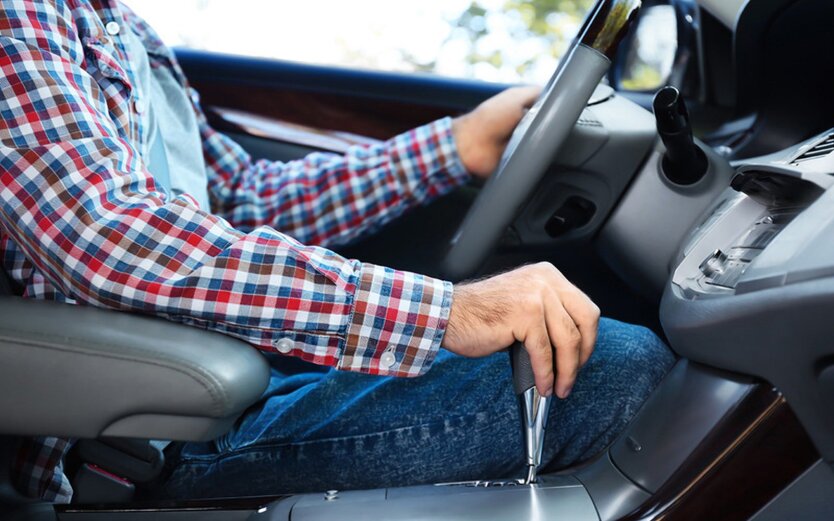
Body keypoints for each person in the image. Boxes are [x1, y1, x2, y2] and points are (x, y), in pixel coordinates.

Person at [0, 0, 675, 503]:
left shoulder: (115, 26)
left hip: (212, 383)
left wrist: (452, 147)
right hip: (124, 437)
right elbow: (104, 234)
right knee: (613, 370)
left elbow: (239, 199)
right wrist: (442, 312)